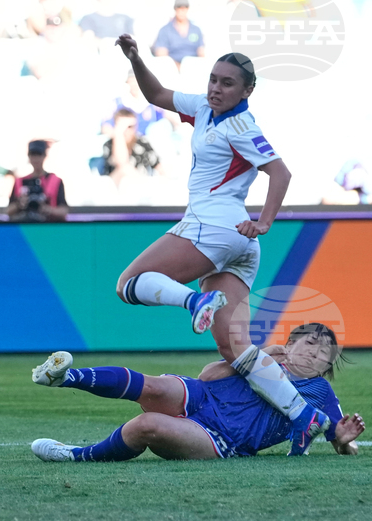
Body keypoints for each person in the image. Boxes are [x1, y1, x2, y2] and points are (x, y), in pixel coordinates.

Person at [111, 36, 329, 450]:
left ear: (247, 91)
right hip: (236, 241)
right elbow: (157, 94)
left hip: (213, 226)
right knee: (236, 349)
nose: (216, 88)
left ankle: (194, 303)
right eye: (213, 79)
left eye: (228, 83)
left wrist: (264, 222)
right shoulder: (203, 108)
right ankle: (304, 416)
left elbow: (281, 174)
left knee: (128, 284)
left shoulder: (242, 126)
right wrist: (137, 58)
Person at [30, 323, 365, 462]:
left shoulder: (319, 390)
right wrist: (257, 359)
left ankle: (76, 455)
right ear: (290, 343)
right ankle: (64, 376)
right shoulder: (264, 358)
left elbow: (335, 435)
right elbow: (208, 375)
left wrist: (346, 440)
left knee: (145, 426)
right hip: (202, 396)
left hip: (221, 437)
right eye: (310, 344)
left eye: (324, 354)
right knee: (152, 385)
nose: (315, 355)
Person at [93, 107, 163, 185]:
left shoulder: (143, 142)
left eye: (130, 126)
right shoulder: (109, 145)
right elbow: (121, 162)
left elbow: (158, 166)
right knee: (125, 169)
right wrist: (119, 134)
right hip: (117, 186)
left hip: (140, 185)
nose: (127, 130)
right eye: (123, 126)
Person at [6, 140, 68, 221]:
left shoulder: (55, 181)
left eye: (39, 155)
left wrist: (47, 209)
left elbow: (64, 211)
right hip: (25, 224)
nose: (36, 159)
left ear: (44, 156)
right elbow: (8, 211)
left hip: (49, 225)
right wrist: (20, 204)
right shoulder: (20, 182)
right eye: (33, 155)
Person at [152, 0, 205, 68]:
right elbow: (161, 55)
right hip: (172, 68)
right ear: (175, 9)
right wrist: (178, 67)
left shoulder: (196, 30)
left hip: (193, 67)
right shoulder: (165, 30)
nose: (181, 11)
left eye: (184, 8)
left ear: (187, 9)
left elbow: (201, 52)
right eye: (179, 8)